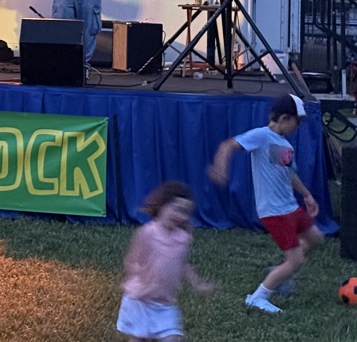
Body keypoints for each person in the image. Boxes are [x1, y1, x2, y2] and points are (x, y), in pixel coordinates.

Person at [208, 93, 323, 314]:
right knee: (296, 259)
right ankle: (258, 297)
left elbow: (289, 174)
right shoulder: (261, 136)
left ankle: (282, 271)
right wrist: (220, 168)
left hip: (290, 207)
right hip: (274, 211)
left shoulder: (283, 144)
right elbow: (228, 146)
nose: (298, 127)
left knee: (315, 238)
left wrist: (307, 195)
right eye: (297, 122)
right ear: (284, 119)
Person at [116, 181, 216, 341]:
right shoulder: (147, 233)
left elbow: (182, 263)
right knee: (138, 339)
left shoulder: (183, 238)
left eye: (185, 212)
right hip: (140, 300)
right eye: (176, 209)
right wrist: (142, 275)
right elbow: (130, 261)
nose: (180, 215)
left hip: (165, 303)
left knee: (173, 337)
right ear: (162, 206)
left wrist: (197, 284)